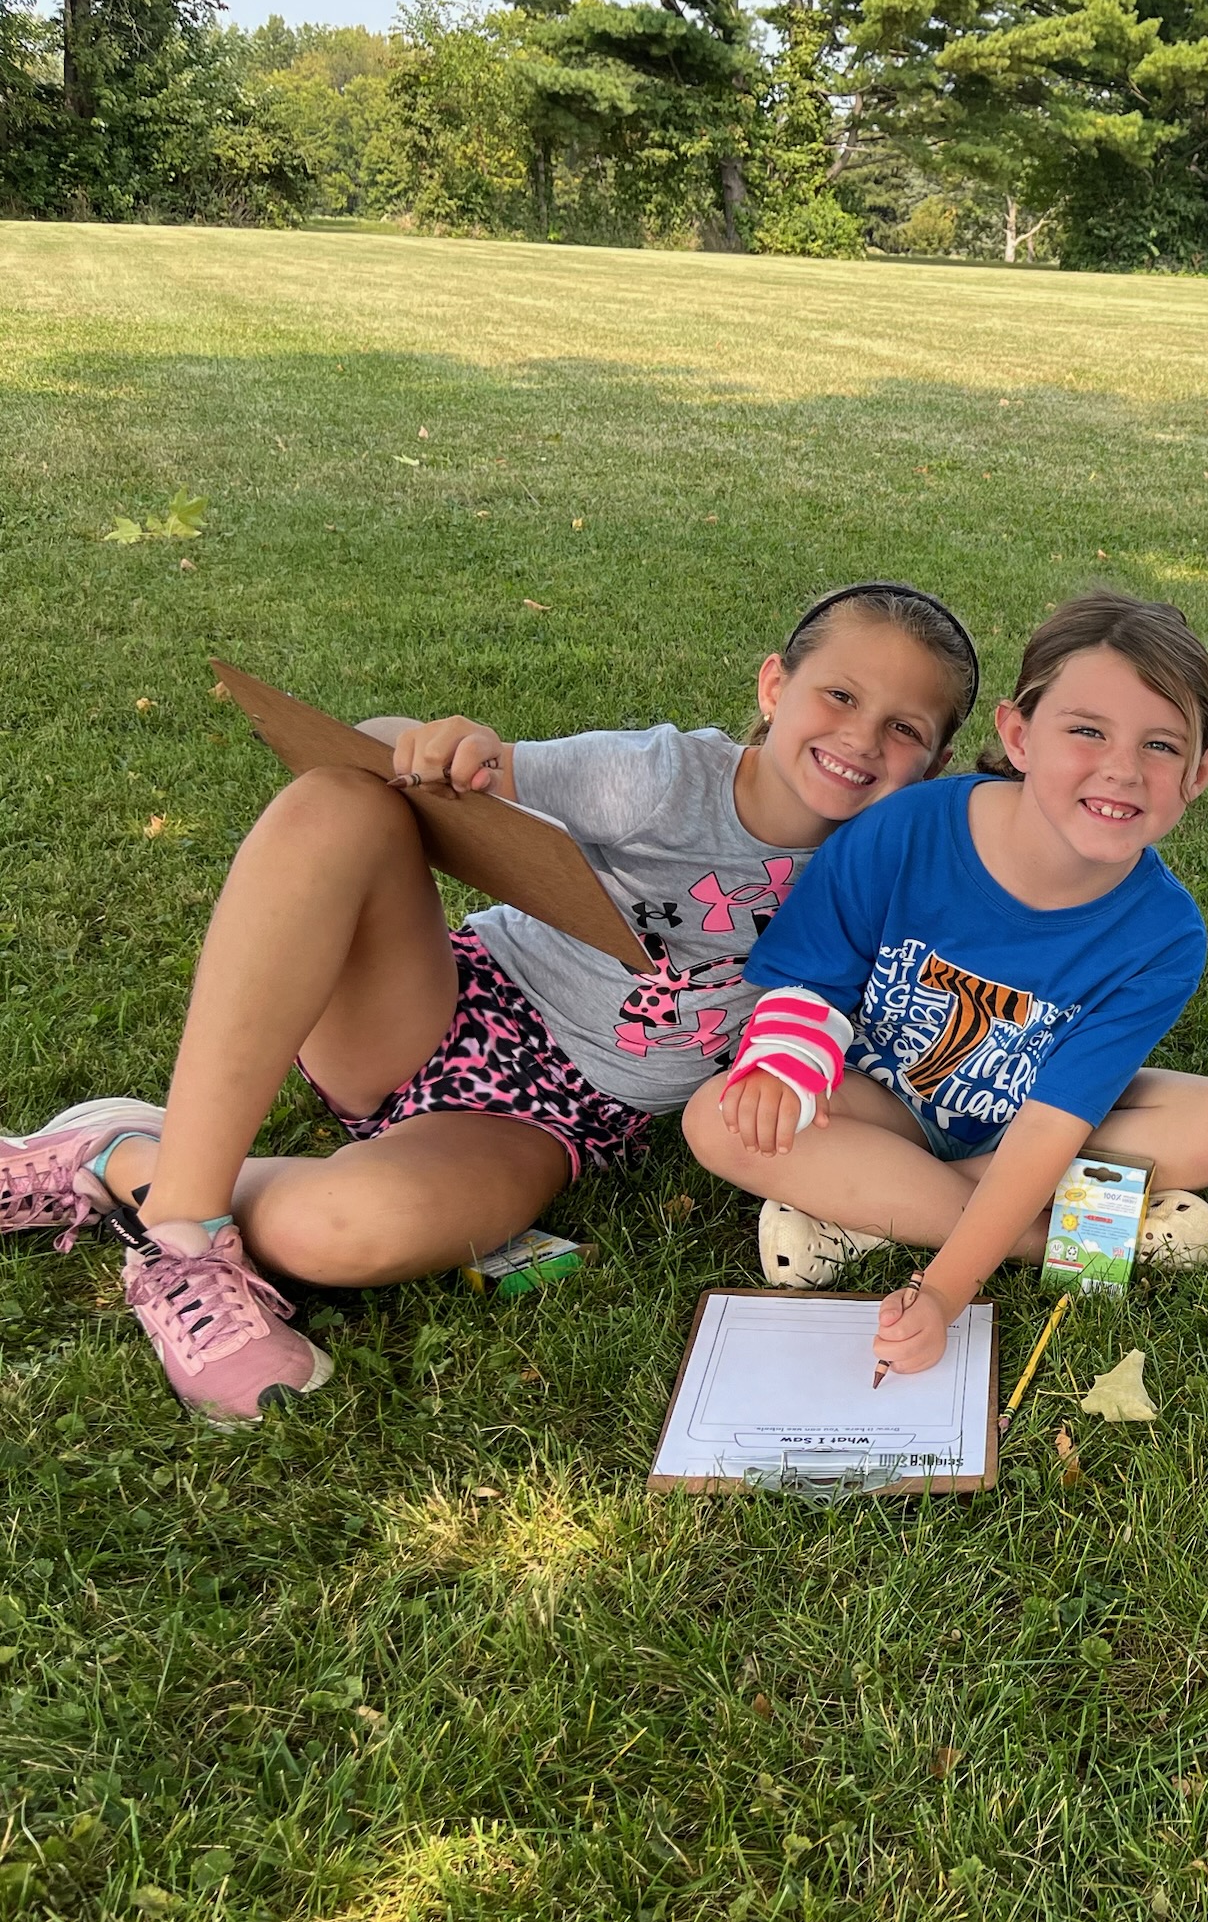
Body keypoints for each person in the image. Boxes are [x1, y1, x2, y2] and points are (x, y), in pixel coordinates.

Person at [0, 583, 980, 1423]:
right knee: (340, 801)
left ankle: (119, 1157)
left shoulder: (895, 870)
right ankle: (181, 1233)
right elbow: (395, 760)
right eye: (840, 695)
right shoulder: (663, 777)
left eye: (905, 730)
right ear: (775, 685)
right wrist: (432, 745)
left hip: (552, 1118)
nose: (860, 739)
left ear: (934, 766)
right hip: (443, 1005)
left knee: (336, 1236)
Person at [689, 591, 1208, 1376]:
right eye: (1087, 730)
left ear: (1202, 773)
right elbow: (807, 981)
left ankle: (865, 1218)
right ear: (1019, 734)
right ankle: (1068, 1238)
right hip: (884, 1103)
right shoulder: (906, 829)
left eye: (1161, 746)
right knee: (719, 1121)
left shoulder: (1163, 936)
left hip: (1026, 1128)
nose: (1123, 769)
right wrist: (781, 1070)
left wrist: (942, 1289)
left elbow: (1050, 1127)